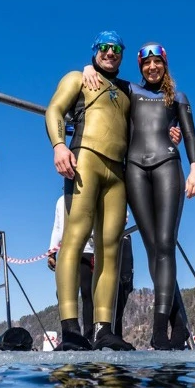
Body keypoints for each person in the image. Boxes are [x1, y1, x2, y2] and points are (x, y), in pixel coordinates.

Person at [83, 42, 195, 349]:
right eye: (146, 64)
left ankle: (159, 328)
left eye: (157, 62)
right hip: (134, 169)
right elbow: (104, 73)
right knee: (152, 249)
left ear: (164, 64)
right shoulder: (131, 91)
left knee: (165, 245)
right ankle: (179, 324)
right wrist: (87, 67)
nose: (152, 67)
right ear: (141, 67)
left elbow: (189, 133)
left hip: (167, 165)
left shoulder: (177, 98)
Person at [44, 30, 135, 351]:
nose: (111, 52)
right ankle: (70, 329)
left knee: (111, 249)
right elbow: (54, 110)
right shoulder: (78, 77)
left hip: (118, 172)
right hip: (85, 158)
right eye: (105, 47)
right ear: (95, 50)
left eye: (117, 48)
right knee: (75, 238)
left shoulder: (127, 91)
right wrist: (59, 145)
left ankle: (102, 329)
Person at [48, 194, 96, 342]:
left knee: (87, 292)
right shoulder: (60, 200)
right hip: (66, 251)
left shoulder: (90, 194)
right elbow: (57, 227)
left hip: (87, 249)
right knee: (63, 293)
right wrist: (51, 252)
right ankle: (70, 334)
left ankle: (89, 336)